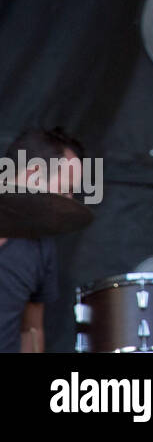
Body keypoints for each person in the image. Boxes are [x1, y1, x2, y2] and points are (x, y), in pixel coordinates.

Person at [0, 128, 85, 353]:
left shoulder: (40, 245)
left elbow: (31, 330)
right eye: (65, 191)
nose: (70, 202)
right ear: (33, 175)